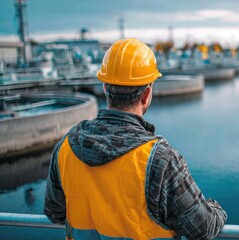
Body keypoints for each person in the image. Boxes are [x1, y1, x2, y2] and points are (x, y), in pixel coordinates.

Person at [44, 38, 227, 240]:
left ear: (105, 88)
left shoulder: (66, 147)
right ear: (146, 94)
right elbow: (203, 228)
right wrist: (214, 208)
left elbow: (55, 212)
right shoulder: (160, 159)